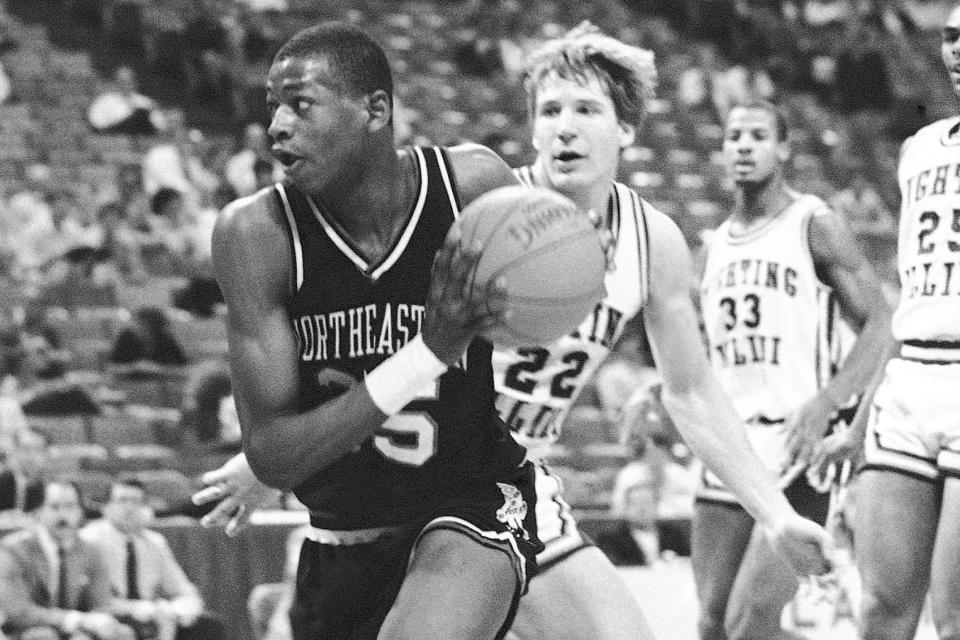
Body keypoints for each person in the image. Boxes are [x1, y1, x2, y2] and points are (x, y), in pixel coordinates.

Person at [194, 22, 835, 640]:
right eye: (549, 111)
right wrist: (270, 461)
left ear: (628, 130)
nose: (564, 128)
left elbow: (691, 394)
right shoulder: (482, 209)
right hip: (400, 479)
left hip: (506, 482)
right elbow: (365, 333)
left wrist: (774, 515)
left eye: (585, 110)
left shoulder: (652, 239)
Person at [205, 21, 544, 640]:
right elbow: (275, 455)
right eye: (273, 107)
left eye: (300, 105)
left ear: (375, 110)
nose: (277, 126)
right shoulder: (257, 236)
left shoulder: (470, 187)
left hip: (472, 502)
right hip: (341, 535)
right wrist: (428, 354)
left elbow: (546, 297)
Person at [694, 99, 891, 640]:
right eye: (734, 136)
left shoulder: (813, 222)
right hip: (729, 449)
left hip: (797, 446)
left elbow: (882, 324)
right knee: (711, 625)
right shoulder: (711, 249)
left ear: (783, 149)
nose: (743, 146)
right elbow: (698, 355)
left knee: (748, 620)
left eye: (758, 136)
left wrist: (829, 402)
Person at [845, 6, 960, 638]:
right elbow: (910, 285)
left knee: (956, 617)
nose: (957, 51)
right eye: (949, 37)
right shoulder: (919, 150)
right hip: (912, 374)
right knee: (883, 608)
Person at [79, 479, 224, 640]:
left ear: (145, 508)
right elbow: (94, 600)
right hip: (109, 615)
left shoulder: (155, 543)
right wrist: (140, 609)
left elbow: (184, 591)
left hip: (152, 615)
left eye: (136, 502)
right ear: (106, 507)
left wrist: (178, 610)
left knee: (208, 625)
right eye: (122, 501)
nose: (129, 508)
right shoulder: (90, 539)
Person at [0, 479, 135, 640]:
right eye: (54, 507)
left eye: (70, 507)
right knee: (43, 636)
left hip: (77, 629)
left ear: (80, 512)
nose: (63, 515)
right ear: (39, 511)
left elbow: (102, 603)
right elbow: (18, 611)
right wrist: (73, 620)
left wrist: (91, 626)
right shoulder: (14, 550)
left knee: (121, 633)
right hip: (26, 630)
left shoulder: (91, 551)